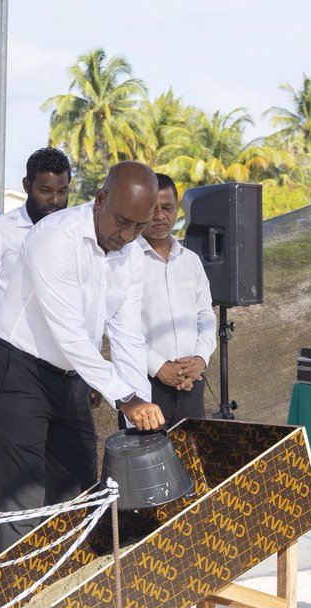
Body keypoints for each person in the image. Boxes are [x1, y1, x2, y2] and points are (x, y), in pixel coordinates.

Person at [0, 161, 172, 608]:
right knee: (21, 500)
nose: (128, 236)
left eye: (138, 226)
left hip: (71, 378)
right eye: (121, 222)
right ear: (99, 200)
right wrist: (123, 397)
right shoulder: (53, 237)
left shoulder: (130, 253)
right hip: (20, 367)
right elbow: (68, 331)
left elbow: (126, 334)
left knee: (79, 500)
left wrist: (135, 402)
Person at [0, 147, 73, 564]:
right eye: (46, 191)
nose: (55, 200)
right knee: (10, 474)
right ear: (27, 186)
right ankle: (0, 569)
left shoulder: (73, 230)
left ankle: (54, 566)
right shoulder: (0, 231)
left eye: (62, 191)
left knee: (59, 473)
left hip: (63, 367)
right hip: (8, 362)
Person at [133, 172, 215, 427]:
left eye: (167, 208)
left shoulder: (191, 260)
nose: (160, 216)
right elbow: (120, 328)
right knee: (149, 465)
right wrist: (159, 368)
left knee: (190, 463)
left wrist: (200, 360)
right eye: (152, 208)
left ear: (177, 210)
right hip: (145, 387)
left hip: (192, 384)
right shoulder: (125, 259)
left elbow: (206, 316)